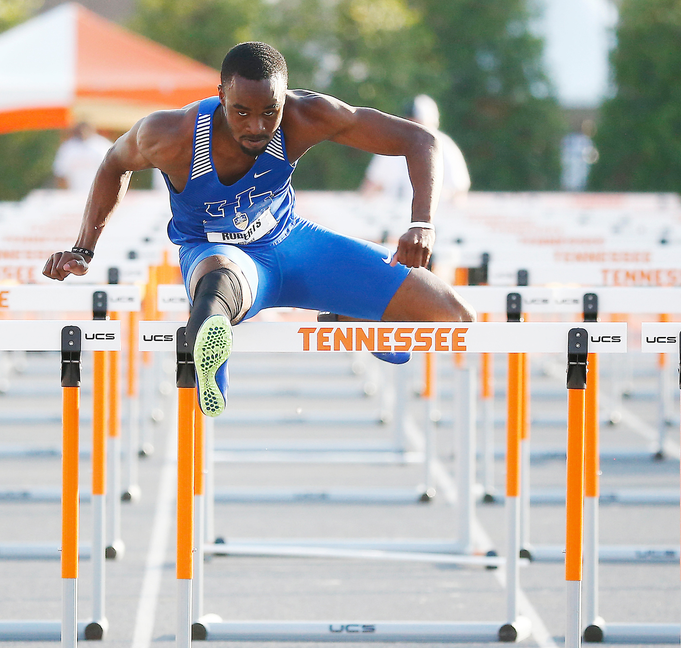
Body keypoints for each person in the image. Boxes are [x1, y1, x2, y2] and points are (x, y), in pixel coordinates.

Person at [44, 42, 473, 417]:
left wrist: (421, 223)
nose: (256, 126)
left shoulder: (308, 115)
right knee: (218, 288)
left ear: (285, 99)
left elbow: (422, 141)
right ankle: (210, 349)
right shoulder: (171, 133)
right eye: (241, 111)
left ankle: (347, 313)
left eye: (271, 111)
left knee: (454, 317)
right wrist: (84, 249)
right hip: (218, 255)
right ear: (220, 95)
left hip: (292, 245)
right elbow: (113, 165)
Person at [361, 94, 471, 206]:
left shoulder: (445, 147)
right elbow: (372, 185)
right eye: (410, 123)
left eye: (418, 123)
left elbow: (459, 191)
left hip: (434, 218)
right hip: (394, 217)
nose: (414, 129)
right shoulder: (392, 145)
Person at [52, 121, 112, 192]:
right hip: (74, 194)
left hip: (99, 193)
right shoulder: (68, 147)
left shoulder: (102, 146)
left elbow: (112, 171)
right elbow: (60, 173)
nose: (83, 132)